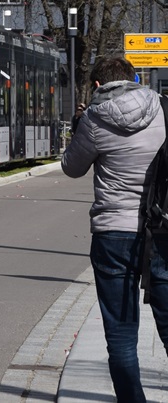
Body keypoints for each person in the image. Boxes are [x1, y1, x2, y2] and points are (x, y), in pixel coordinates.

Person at [62, 56, 168, 402]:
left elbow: (72, 168)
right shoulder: (163, 108)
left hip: (114, 233)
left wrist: (79, 127)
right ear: (135, 78)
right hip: (162, 229)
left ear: (96, 86)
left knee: (121, 335)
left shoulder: (94, 119)